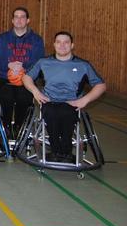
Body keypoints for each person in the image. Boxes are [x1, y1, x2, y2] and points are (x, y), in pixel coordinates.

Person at [22, 31, 106, 162]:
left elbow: (100, 85)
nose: (62, 45)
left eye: (66, 42)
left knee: (66, 114)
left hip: (71, 103)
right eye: (59, 42)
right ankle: (56, 151)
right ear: (54, 44)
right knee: (51, 113)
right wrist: (35, 92)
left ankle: (65, 152)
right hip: (49, 101)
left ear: (72, 45)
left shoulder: (83, 65)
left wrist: (85, 100)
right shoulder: (44, 62)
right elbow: (26, 77)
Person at [0, 7, 44, 138]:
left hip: (26, 79)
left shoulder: (36, 40)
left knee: (23, 98)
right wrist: (9, 64)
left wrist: (23, 67)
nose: (19, 20)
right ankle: (6, 126)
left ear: (28, 20)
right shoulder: (3, 38)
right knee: (6, 97)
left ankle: (19, 126)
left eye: (22, 17)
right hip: (5, 79)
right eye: (16, 17)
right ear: (12, 20)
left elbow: (39, 61)